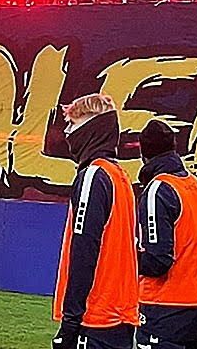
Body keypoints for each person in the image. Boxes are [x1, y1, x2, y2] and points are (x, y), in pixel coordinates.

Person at [53, 93, 140, 349]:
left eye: (72, 124)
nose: (67, 133)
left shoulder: (94, 176)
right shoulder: (119, 175)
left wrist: (70, 321)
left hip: (96, 315)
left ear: (92, 128)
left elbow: (85, 250)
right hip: (119, 313)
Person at [135, 120, 197, 349]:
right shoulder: (195, 185)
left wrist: (125, 257)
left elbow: (157, 262)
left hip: (165, 305)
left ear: (143, 153)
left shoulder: (159, 190)